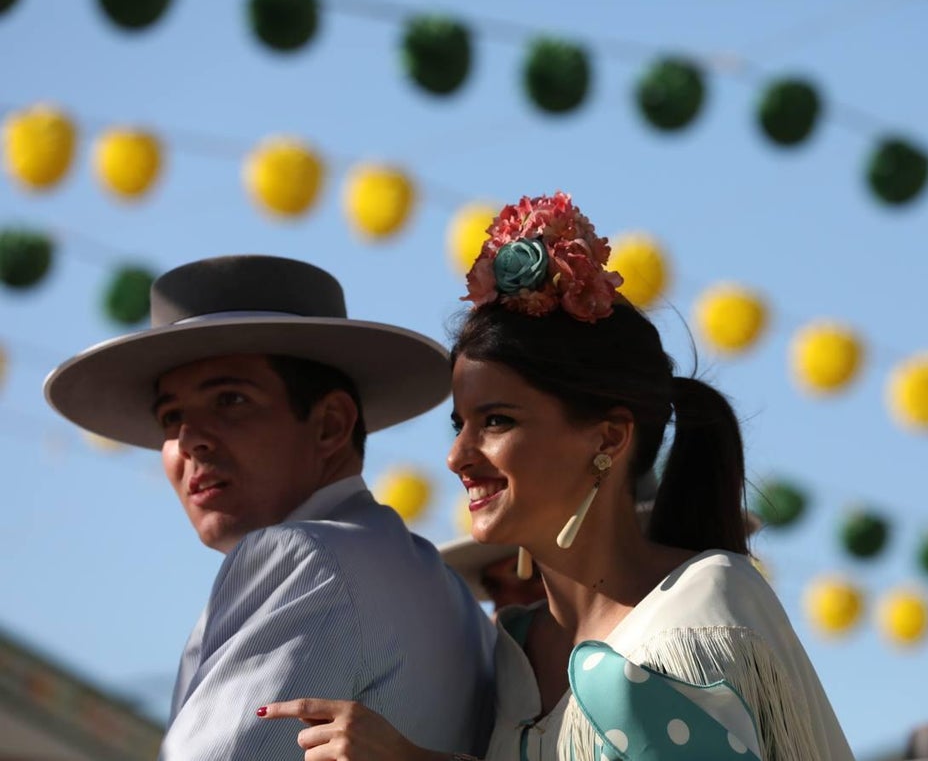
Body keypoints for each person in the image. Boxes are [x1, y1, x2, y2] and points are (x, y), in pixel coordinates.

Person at [260, 192, 855, 760]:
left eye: (496, 420)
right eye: (458, 424)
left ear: (608, 437)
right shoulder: (509, 651)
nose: (457, 456)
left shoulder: (703, 607)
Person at [43, 255, 496, 759]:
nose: (190, 440)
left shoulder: (305, 556)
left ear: (329, 425)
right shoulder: (451, 594)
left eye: (230, 400)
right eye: (171, 418)